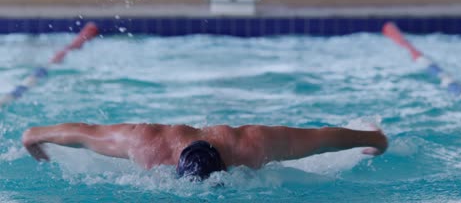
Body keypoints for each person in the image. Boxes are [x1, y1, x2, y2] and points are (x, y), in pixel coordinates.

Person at [22, 123, 388, 180]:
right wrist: (35, 135)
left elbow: (323, 138)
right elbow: (86, 134)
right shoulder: (146, 145)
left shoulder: (253, 145)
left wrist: (371, 137)